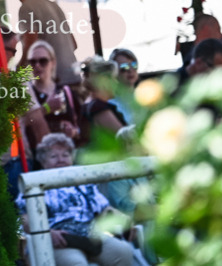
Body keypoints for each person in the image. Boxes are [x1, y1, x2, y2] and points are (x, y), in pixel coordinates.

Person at [15, 133, 136, 266]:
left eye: (65, 155)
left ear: (72, 158)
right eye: (54, 156)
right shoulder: (34, 184)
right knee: (75, 262)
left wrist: (123, 218)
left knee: (123, 251)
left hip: (90, 236)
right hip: (59, 240)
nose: (60, 159)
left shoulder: (82, 180)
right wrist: (48, 233)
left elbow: (104, 208)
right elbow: (25, 219)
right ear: (43, 162)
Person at [13, 0, 80, 86]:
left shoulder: (26, 8)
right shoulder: (54, 5)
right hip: (74, 73)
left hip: (55, 80)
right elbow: (74, 44)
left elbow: (31, 43)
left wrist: (19, 68)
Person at [23, 40, 85, 153]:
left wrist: (74, 132)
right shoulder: (26, 93)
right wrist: (46, 108)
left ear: (53, 63)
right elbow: (21, 124)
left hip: (69, 155)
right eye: (32, 62)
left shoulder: (66, 92)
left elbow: (84, 127)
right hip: (40, 159)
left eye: (43, 61)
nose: (37, 65)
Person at [81, 57, 128, 144]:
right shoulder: (97, 107)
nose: (116, 83)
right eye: (114, 78)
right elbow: (125, 138)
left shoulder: (92, 104)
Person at [108, 48, 139, 124]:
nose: (130, 70)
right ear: (113, 73)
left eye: (134, 65)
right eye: (124, 67)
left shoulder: (146, 97)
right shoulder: (112, 104)